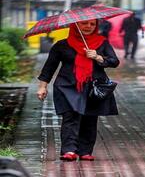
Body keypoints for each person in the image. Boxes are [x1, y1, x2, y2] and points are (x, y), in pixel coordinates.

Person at [36, 19, 119, 161]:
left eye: (92, 24)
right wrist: (42, 87)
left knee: (90, 118)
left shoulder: (102, 42)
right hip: (67, 86)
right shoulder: (62, 45)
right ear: (76, 25)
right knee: (70, 117)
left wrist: (98, 57)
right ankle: (69, 150)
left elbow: (114, 61)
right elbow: (49, 67)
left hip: (93, 86)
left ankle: (85, 151)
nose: (88, 27)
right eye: (84, 23)